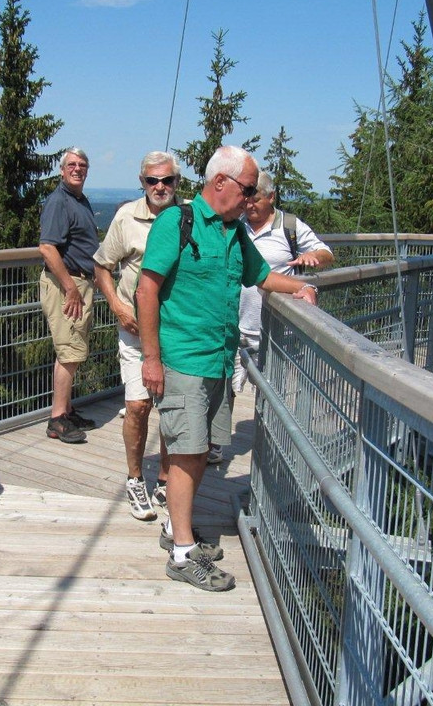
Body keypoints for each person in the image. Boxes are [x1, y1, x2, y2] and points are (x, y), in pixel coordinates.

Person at [136, 146, 318, 591]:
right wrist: (152, 359)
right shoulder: (176, 223)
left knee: (201, 452)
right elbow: (146, 291)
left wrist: (300, 287)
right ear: (221, 183)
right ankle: (182, 555)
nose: (253, 198)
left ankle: (174, 531)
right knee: (186, 452)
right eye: (248, 188)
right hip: (183, 360)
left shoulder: (235, 233)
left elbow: (261, 276)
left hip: (218, 359)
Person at [93, 151, 178, 521]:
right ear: (141, 182)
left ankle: (164, 477)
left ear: (177, 182)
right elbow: (101, 265)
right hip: (133, 330)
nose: (160, 187)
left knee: (173, 409)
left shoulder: (187, 217)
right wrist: (115, 305)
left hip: (175, 330)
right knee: (140, 404)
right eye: (151, 180)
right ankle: (134, 478)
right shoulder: (126, 216)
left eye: (167, 180)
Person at [232, 170, 334, 393]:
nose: (249, 205)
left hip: (273, 330)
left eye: (256, 199)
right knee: (227, 393)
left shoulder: (290, 226)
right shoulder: (236, 225)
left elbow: (327, 254)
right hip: (235, 327)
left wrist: (314, 256)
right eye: (246, 199)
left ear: (271, 197)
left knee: (269, 393)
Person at [39, 147, 100, 443]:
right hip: (68, 285)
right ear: (62, 170)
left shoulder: (78, 200)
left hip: (80, 283)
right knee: (68, 351)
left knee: (74, 349)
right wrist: (71, 288)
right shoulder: (58, 201)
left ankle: (67, 409)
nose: (78, 169)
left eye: (82, 164)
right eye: (72, 165)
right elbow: (47, 248)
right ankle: (57, 419)